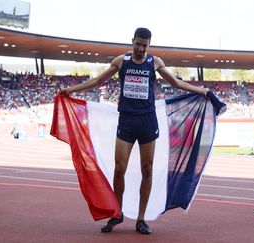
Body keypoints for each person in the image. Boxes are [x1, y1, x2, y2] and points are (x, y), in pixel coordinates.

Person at [60, 27, 209, 234]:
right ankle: (117, 213)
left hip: (147, 121)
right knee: (119, 169)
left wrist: (200, 90)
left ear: (149, 45)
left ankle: (141, 219)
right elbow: (98, 81)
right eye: (137, 44)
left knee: (147, 169)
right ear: (132, 41)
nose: (140, 48)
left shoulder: (154, 62)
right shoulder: (122, 61)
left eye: (144, 45)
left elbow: (175, 82)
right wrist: (72, 90)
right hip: (127, 121)